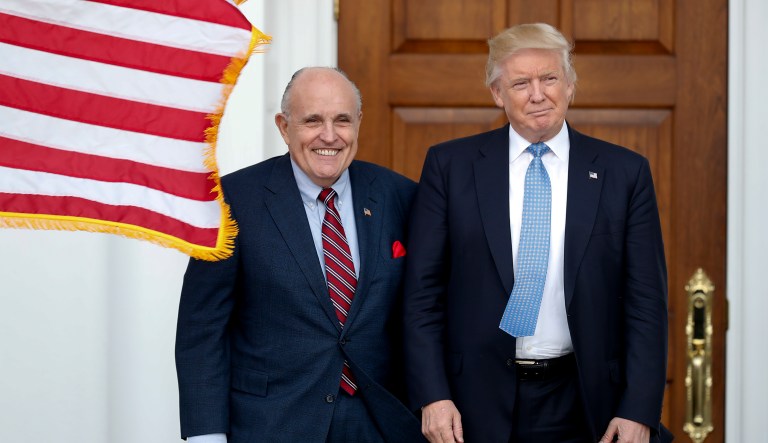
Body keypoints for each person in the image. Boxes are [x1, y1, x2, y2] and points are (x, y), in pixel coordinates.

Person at [403, 23, 672, 443]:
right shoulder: (449, 167)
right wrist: (432, 396)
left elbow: (646, 303)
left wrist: (638, 410)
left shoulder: (625, 173)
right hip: (472, 403)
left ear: (570, 85)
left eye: (549, 78)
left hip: (585, 404)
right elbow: (422, 295)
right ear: (497, 93)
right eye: (520, 83)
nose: (537, 94)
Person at [175, 67, 424, 443]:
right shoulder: (232, 201)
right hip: (272, 424)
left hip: (381, 424)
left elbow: (428, 311)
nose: (330, 136)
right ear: (283, 126)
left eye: (342, 120)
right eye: (313, 121)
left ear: (358, 122)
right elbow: (203, 329)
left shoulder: (401, 196)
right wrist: (207, 435)